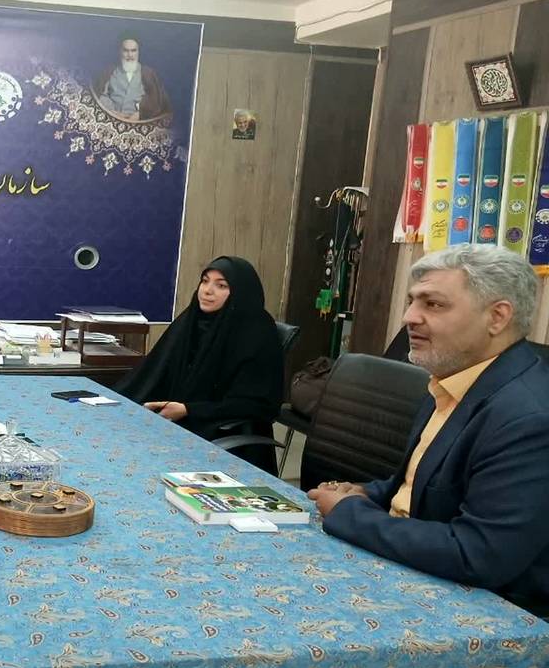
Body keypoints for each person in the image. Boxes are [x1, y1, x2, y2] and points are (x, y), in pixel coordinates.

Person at [309, 244, 549, 616]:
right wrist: (367, 493)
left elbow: (479, 553)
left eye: (432, 304)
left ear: (497, 317)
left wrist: (350, 514)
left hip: (488, 610)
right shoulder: (452, 378)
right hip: (415, 567)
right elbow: (423, 484)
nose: (409, 317)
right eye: (411, 302)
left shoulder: (529, 418)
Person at [114, 256, 283, 472]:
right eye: (205, 281)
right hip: (178, 418)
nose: (207, 291)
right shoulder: (192, 320)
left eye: (221, 285)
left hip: (225, 433)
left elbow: (256, 405)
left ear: (240, 291)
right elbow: (156, 370)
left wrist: (189, 410)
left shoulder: (256, 333)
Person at [91, 34, 172, 122]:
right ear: (120, 51)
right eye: (126, 50)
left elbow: (157, 100)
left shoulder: (148, 73)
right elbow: (101, 95)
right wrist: (112, 111)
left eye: (133, 51)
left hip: (139, 123)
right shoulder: (109, 72)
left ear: (138, 52)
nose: (130, 55)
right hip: (112, 120)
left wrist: (140, 113)